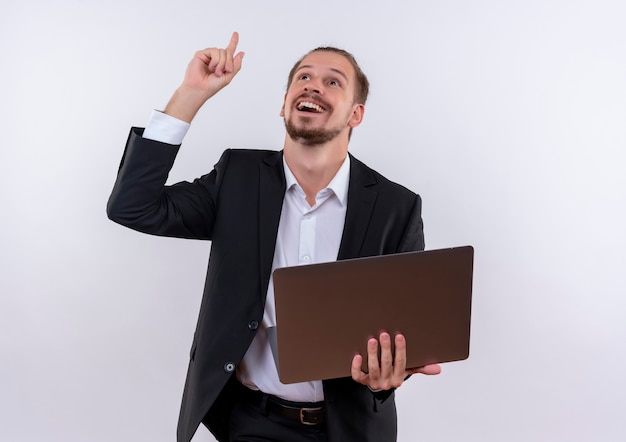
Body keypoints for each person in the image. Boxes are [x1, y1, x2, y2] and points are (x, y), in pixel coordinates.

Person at [107, 32, 441, 442]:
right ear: (284, 104)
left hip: (351, 428)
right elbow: (133, 207)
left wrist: (386, 377)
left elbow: (402, 331)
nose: (313, 85)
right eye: (303, 77)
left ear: (356, 114)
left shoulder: (397, 207)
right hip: (252, 422)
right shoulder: (237, 179)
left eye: (333, 81)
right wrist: (191, 94)